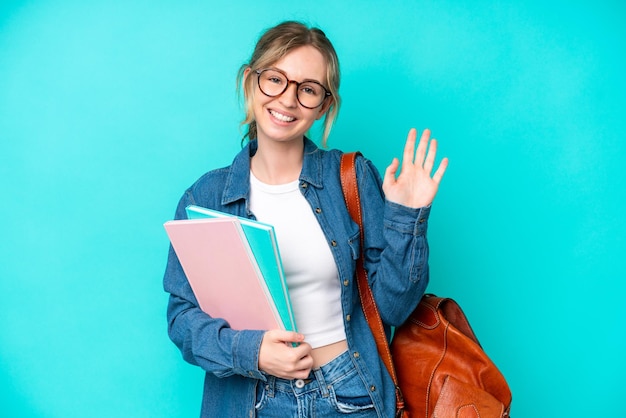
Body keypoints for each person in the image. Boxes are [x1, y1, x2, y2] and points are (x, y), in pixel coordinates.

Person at [163, 20, 448, 417]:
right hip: (253, 401)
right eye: (275, 79)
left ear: (324, 105)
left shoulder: (351, 178)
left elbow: (393, 309)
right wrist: (253, 352)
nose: (288, 99)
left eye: (308, 89)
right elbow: (182, 319)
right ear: (250, 81)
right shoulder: (205, 197)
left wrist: (406, 216)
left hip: (350, 394)